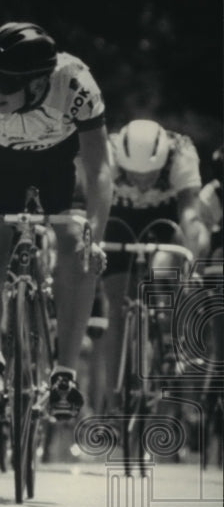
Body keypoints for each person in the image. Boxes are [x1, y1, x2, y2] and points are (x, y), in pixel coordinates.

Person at [0, 22, 111, 421]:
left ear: (39, 82)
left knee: (77, 244)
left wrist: (96, 237)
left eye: (6, 82)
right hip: (1, 164)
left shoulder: (77, 86)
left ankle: (64, 374)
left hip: (60, 165)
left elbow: (99, 169)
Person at [89, 120, 209, 410]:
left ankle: (168, 331)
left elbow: (190, 215)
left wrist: (191, 264)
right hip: (118, 219)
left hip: (165, 221)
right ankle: (115, 403)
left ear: (163, 162)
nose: (143, 184)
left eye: (150, 176)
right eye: (134, 175)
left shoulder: (182, 154)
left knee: (167, 266)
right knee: (117, 308)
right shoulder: (108, 153)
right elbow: (95, 208)